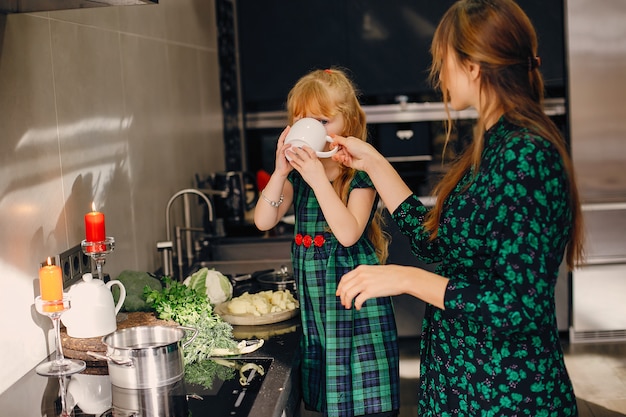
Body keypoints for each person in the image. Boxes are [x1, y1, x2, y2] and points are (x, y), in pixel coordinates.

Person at [332, 1, 584, 416]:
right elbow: (438, 243)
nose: (437, 73)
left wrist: (407, 278)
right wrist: (373, 163)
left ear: (473, 66)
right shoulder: (492, 145)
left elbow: (516, 304)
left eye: (442, 60)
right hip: (463, 385)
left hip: (506, 393)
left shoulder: (526, 155)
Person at [254, 68, 400, 417]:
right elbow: (263, 220)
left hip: (357, 311)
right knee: (328, 397)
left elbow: (348, 234)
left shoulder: (358, 173)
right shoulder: (299, 178)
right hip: (320, 314)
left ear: (345, 123)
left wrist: (318, 178)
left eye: (322, 119)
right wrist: (279, 172)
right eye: (303, 120)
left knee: (367, 401)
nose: (312, 128)